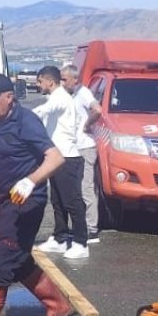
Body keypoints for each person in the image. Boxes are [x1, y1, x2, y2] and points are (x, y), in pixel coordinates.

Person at [0, 73, 75, 316]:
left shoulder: (26, 121)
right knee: (18, 256)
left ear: (9, 97)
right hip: (5, 199)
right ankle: (57, 304)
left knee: (1, 257)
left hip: (27, 201)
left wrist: (30, 181)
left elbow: (55, 158)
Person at [31, 66, 90, 258]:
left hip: (68, 158)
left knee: (72, 201)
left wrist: (27, 116)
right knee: (57, 201)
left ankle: (81, 242)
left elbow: (47, 109)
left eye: (40, 81)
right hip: (56, 157)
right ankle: (60, 238)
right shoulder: (56, 97)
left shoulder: (60, 98)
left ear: (50, 81)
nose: (38, 85)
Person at [62, 64, 103, 243]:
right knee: (75, 189)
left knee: (86, 187)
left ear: (74, 79)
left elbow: (97, 109)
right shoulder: (71, 95)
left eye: (64, 79)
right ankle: (81, 226)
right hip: (75, 147)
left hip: (85, 147)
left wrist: (87, 125)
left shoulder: (83, 93)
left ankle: (91, 228)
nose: (62, 83)